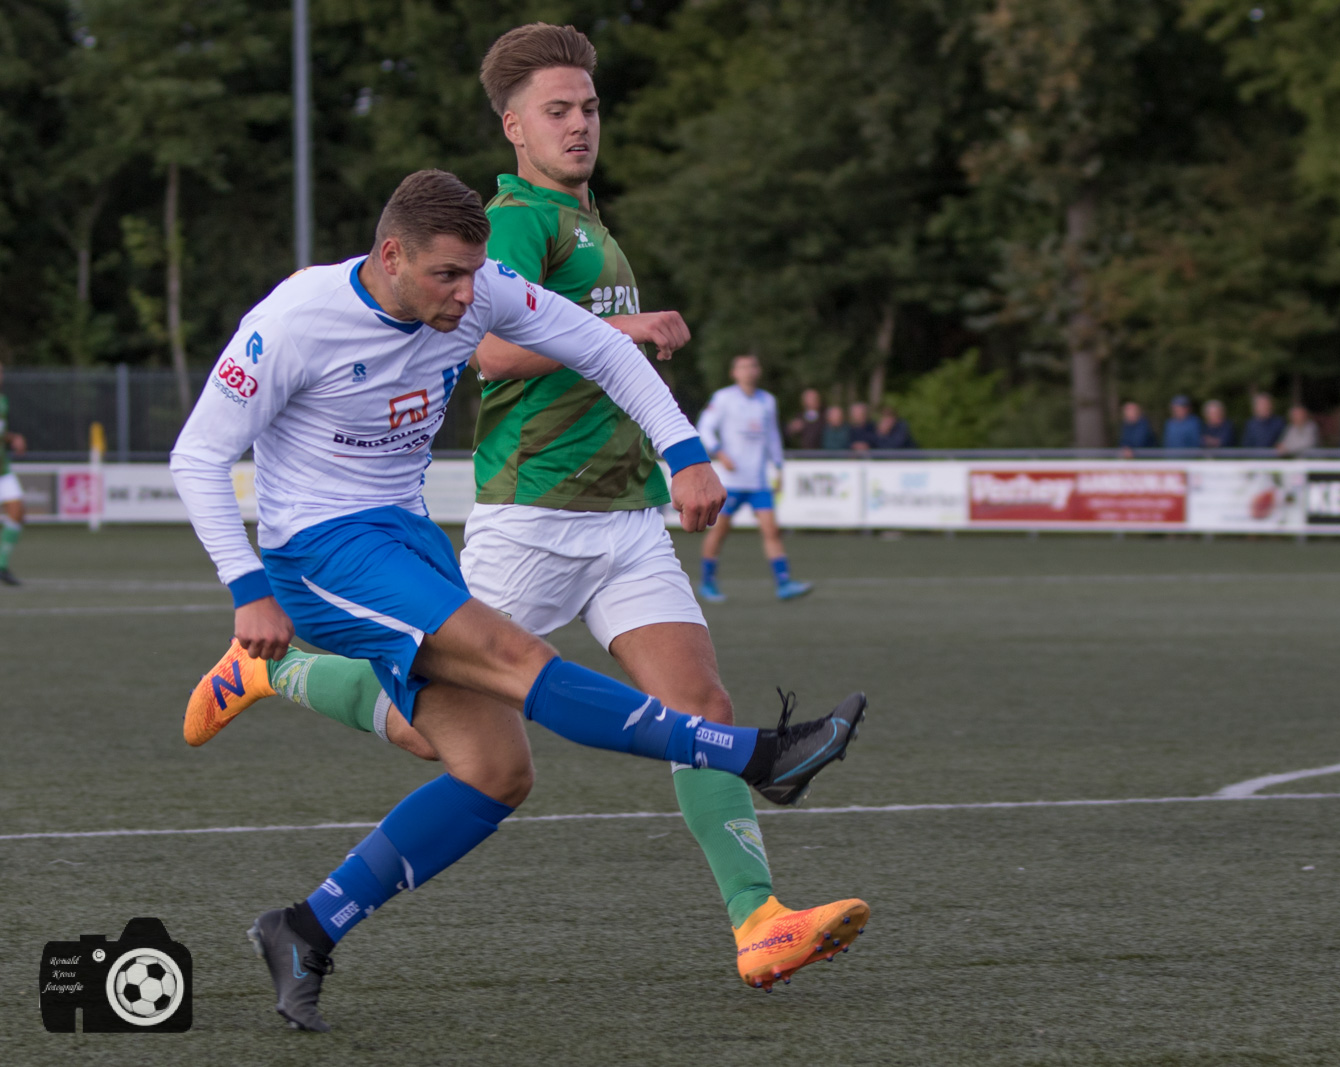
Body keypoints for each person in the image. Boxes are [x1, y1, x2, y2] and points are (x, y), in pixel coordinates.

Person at [170, 168, 866, 1032]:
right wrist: (247, 588)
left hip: (409, 537)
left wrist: (684, 449)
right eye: (447, 276)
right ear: (391, 255)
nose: (470, 297)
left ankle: (305, 927)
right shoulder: (294, 319)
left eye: (474, 274)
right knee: (515, 657)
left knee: (496, 770)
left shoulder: (480, 288)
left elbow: (603, 348)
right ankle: (758, 754)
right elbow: (198, 456)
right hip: (322, 551)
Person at [696, 354, 813, 602]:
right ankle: (707, 582)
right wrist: (719, 452)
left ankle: (784, 583)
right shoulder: (724, 398)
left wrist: (778, 465)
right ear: (734, 373)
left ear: (758, 371)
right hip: (731, 481)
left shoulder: (767, 400)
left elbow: (772, 436)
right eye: (743, 367)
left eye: (753, 366)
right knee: (720, 531)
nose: (749, 371)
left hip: (758, 480)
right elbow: (705, 427)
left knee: (772, 531)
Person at [0, 360, 24, 585]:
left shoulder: (2, 401)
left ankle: (1, 565)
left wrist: (12, 438)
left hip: (3, 469)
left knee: (17, 511)